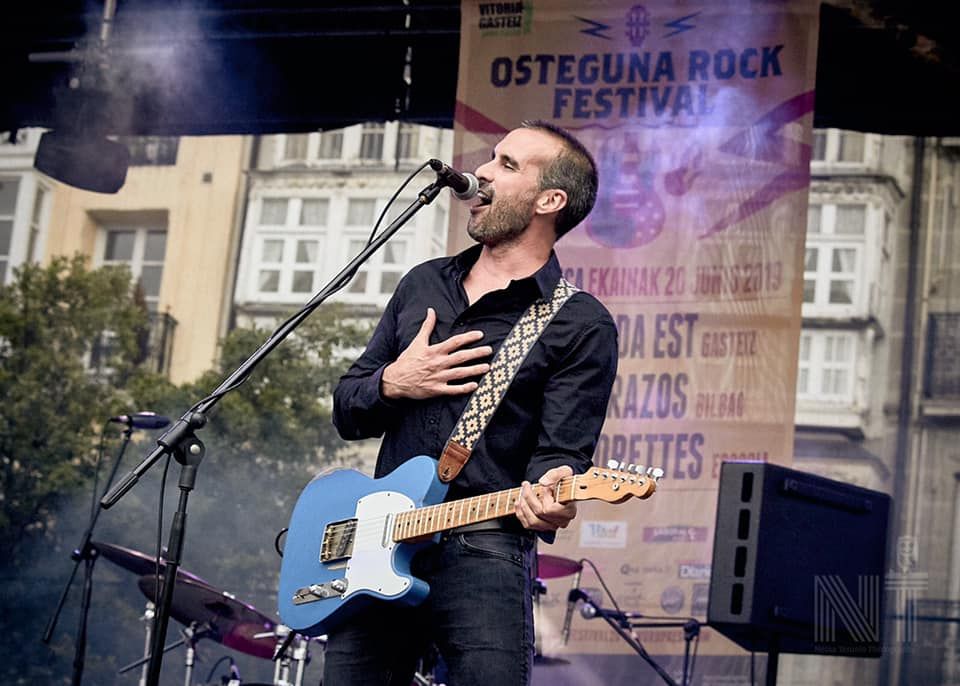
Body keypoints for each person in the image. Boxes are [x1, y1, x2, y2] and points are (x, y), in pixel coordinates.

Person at [328, 120, 618, 686]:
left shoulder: (580, 323)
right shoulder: (422, 284)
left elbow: (559, 457)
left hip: (485, 547)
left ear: (549, 200)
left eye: (508, 165)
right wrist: (394, 382)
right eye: (492, 157)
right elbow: (347, 408)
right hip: (380, 542)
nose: (482, 171)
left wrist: (554, 493)